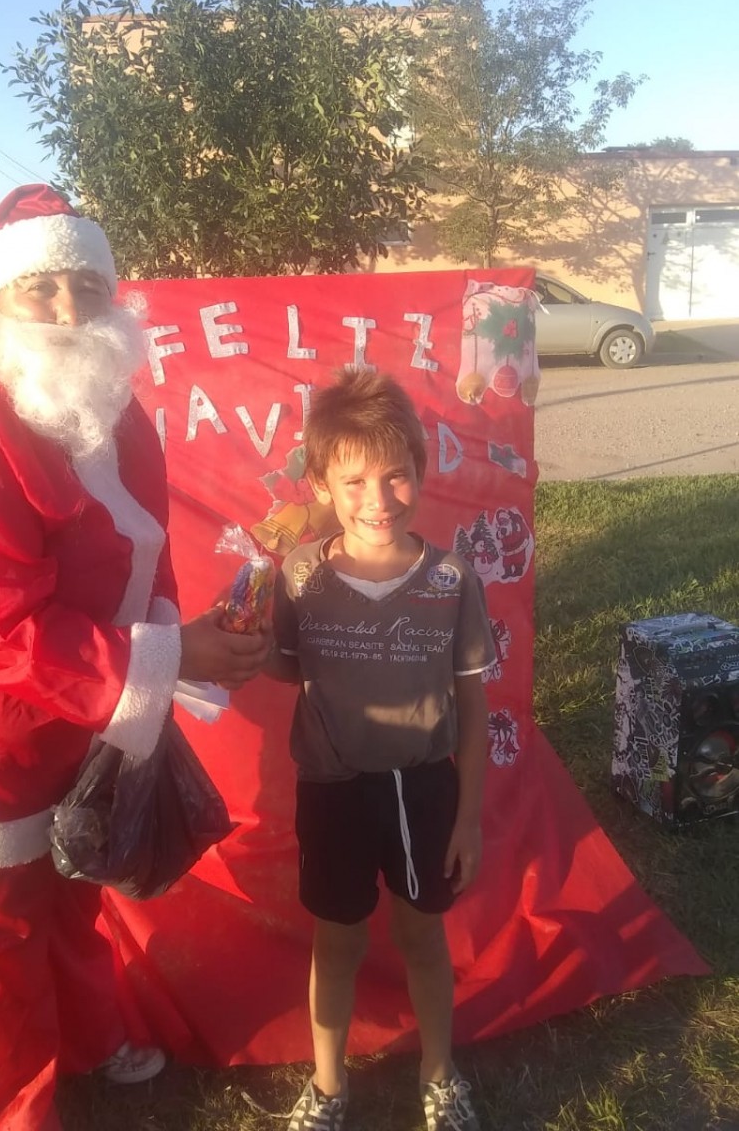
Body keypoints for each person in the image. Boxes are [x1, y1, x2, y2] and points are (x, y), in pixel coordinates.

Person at [0, 184, 271, 1131]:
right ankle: (9, 1114)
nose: (71, 311)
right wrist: (169, 657)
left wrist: (182, 639)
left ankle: (84, 1036)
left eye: (89, 285)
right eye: (41, 287)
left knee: (69, 889)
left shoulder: (114, 411)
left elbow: (148, 547)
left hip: (67, 713)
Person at [268, 368, 496, 1131]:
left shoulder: (452, 580)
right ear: (321, 485)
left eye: (396, 475)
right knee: (336, 944)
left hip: (422, 789)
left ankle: (440, 1072)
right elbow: (286, 667)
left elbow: (472, 706)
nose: (379, 498)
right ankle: (328, 1085)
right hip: (331, 791)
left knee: (422, 937)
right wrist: (231, 642)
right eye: (355, 480)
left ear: (421, 473)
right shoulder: (299, 574)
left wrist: (468, 820)